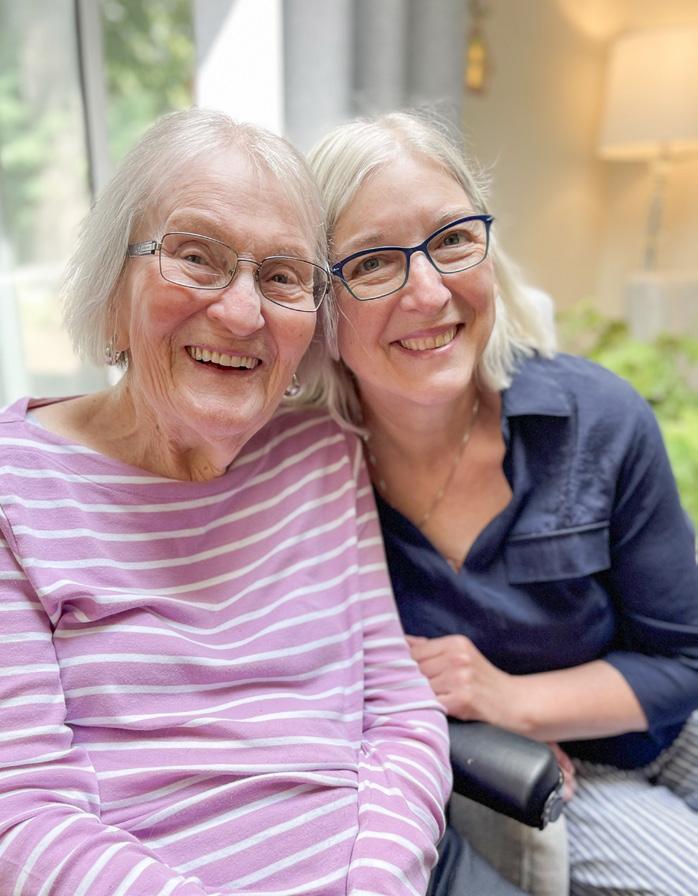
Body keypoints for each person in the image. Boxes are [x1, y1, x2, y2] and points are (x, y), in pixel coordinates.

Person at [0, 108, 452, 896]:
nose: (243, 314)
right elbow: (22, 812)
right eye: (196, 258)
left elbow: (399, 712)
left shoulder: (321, 455)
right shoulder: (16, 486)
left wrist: (379, 881)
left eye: (282, 277)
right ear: (113, 286)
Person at [301, 110, 698, 896]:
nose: (429, 291)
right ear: (321, 304)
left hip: (668, 726)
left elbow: (683, 658)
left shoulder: (599, 418)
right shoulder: (302, 478)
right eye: (374, 262)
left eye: (452, 239)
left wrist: (510, 701)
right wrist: (467, 726)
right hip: (568, 779)